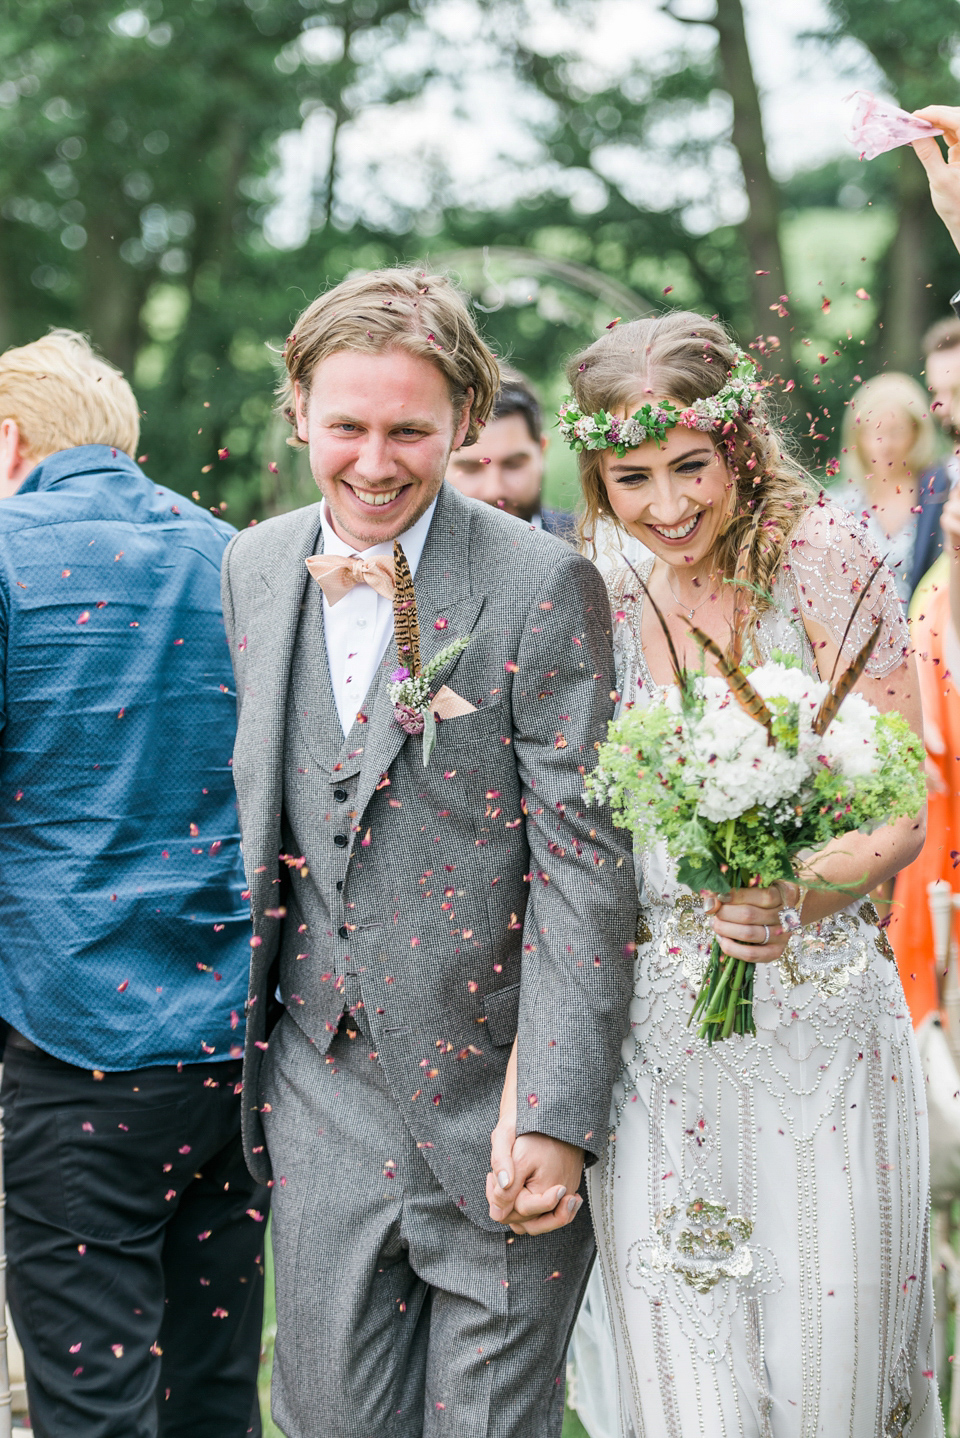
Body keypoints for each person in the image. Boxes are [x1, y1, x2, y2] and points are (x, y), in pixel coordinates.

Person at [500, 311, 936, 1436]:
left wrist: (799, 893)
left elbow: (900, 811)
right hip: (655, 1048)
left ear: (740, 445)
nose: (667, 504)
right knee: (691, 1398)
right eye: (630, 475)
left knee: (823, 1391)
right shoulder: (594, 577)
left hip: (821, 1032)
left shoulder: (827, 559)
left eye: (690, 465)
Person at [221, 268, 636, 1437]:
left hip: (493, 1100)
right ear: (297, 407)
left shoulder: (541, 582)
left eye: (410, 429)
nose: (374, 461)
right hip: (316, 1085)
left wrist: (553, 1108)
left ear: (462, 419)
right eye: (345, 425)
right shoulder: (253, 567)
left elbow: (582, 863)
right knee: (325, 1419)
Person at [0, 331, 267, 1436]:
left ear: (9, 436)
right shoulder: (241, 553)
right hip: (237, 1029)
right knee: (211, 1381)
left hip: (72, 1031)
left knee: (92, 1396)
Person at [838, 371, 941, 605]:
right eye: (873, 431)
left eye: (896, 431)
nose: (884, 445)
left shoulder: (938, 494)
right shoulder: (842, 505)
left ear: (916, 432)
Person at [444, 367, 577, 538]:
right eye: (470, 468)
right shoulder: (404, 555)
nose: (494, 491)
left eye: (513, 465)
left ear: (542, 452)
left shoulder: (594, 548)